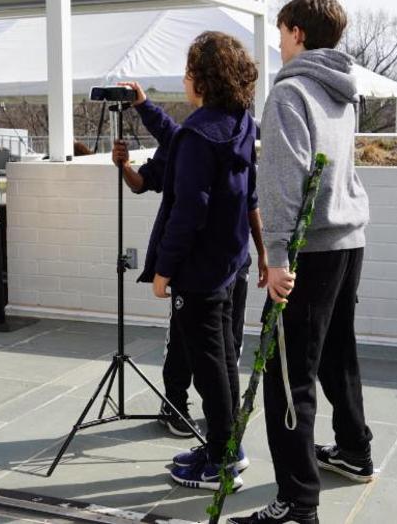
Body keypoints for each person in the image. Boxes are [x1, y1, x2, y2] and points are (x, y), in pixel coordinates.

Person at [230, 0, 372, 524]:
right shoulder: (342, 89)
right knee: (336, 351)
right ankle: (355, 450)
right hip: (347, 240)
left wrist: (275, 257)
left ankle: (297, 504)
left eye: (281, 31)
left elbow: (285, 181)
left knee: (287, 376)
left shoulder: (290, 93)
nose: (279, 41)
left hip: (308, 250)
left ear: (298, 34)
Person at [133, 33, 259, 491]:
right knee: (224, 358)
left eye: (189, 71)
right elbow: (247, 195)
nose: (185, 79)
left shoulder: (198, 134)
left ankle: (221, 462)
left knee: (209, 366)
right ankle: (228, 446)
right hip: (229, 263)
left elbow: (189, 209)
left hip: (199, 271)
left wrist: (164, 269)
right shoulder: (241, 123)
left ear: (203, 78)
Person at [110, 89, 267, 443]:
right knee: (185, 343)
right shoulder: (191, 137)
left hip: (230, 265)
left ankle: (224, 436)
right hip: (198, 269)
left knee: (227, 348)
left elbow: (248, 197)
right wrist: (124, 165)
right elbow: (145, 180)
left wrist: (261, 252)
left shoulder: (236, 129)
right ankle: (181, 409)